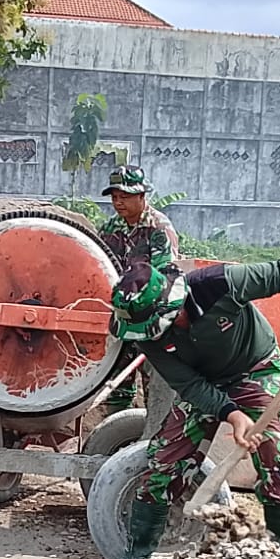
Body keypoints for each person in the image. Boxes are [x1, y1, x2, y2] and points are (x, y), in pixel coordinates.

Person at [103, 257, 280, 559]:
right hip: (204, 383)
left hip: (254, 368)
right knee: (163, 462)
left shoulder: (218, 284)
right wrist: (231, 413)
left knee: (276, 456)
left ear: (173, 308)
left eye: (154, 329)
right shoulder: (144, 335)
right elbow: (190, 385)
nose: (151, 337)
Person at [97, 165, 180, 412]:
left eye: (124, 197)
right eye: (115, 198)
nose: (118, 203)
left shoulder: (159, 230)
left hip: (150, 320)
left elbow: (165, 278)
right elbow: (99, 267)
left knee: (154, 383)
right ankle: (117, 434)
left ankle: (152, 435)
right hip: (120, 318)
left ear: (142, 196)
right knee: (117, 383)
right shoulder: (110, 229)